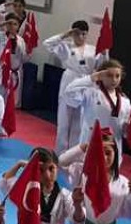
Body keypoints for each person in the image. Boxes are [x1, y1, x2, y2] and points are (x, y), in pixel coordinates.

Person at [44, 21, 104, 154]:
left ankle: (73, 153)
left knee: (79, 121)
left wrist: (105, 51)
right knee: (64, 120)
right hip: (69, 81)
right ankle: (60, 152)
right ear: (73, 34)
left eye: (84, 34)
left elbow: (102, 64)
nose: (81, 37)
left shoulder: (93, 50)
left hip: (86, 82)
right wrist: (66, 34)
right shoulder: (66, 47)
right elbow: (47, 43)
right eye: (77, 34)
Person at [62, 60, 131, 148]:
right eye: (109, 75)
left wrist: (127, 129)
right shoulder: (91, 93)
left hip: (113, 147)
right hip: (90, 143)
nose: (114, 80)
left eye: (117, 76)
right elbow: (68, 93)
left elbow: (125, 131)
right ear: (101, 75)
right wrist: (92, 78)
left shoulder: (125, 101)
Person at [0, 13, 29, 108]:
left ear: (18, 26)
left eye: (15, 24)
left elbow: (24, 59)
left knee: (10, 104)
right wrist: (2, 24)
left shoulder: (20, 41)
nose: (12, 26)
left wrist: (20, 48)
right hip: (0, 72)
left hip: (14, 74)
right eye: (9, 23)